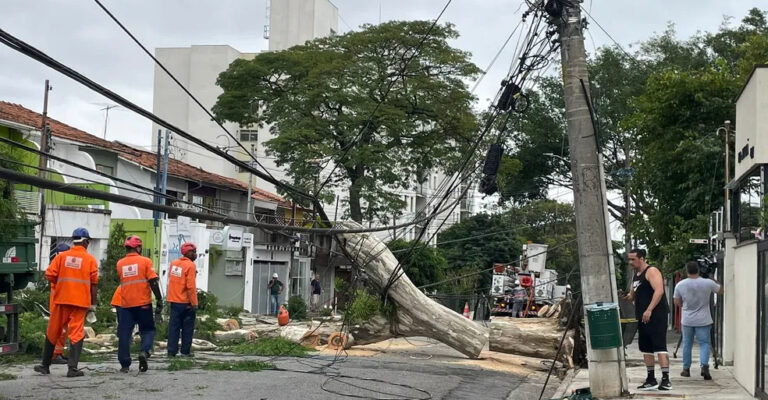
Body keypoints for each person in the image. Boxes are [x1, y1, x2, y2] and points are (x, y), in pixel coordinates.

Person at [34, 228, 98, 377]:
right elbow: (94, 284)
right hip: (80, 302)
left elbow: (49, 275)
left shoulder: (61, 257)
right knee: (76, 333)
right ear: (85, 242)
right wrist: (93, 304)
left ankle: (45, 365)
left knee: (53, 331)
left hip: (61, 300)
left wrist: (62, 285)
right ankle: (72, 369)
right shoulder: (90, 260)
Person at [626, 248, 671, 391]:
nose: (630, 262)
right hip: (642, 315)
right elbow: (632, 294)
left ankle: (666, 379)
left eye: (633, 259)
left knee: (659, 346)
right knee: (646, 347)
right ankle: (651, 378)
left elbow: (659, 291)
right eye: (629, 259)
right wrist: (627, 296)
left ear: (642, 258)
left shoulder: (652, 271)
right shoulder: (636, 275)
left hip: (656, 314)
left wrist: (650, 309)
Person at [116, 235, 163, 373]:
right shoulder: (145, 261)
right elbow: (153, 281)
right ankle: (144, 351)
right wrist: (159, 299)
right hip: (143, 304)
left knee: (125, 333)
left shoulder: (120, 264)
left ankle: (125, 364)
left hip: (126, 305)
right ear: (138, 247)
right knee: (147, 330)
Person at [674, 261, 723, 380]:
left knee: (687, 344)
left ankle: (686, 369)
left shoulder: (680, 285)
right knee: (704, 343)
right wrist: (713, 279)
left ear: (687, 271)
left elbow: (677, 302)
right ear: (698, 270)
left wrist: (686, 305)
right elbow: (720, 291)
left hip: (687, 319)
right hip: (704, 319)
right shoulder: (708, 283)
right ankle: (704, 366)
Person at [167, 242, 199, 357]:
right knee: (187, 328)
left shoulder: (174, 264)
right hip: (186, 302)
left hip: (174, 301)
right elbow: (190, 286)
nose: (196, 254)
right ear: (189, 253)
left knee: (173, 327)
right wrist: (194, 303)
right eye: (194, 252)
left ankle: (171, 351)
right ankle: (185, 351)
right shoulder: (190, 265)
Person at [49, 243, 71, 365]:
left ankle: (58, 353)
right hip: (58, 302)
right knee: (59, 330)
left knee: (62, 330)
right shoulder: (61, 264)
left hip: (59, 301)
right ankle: (55, 355)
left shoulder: (57, 263)